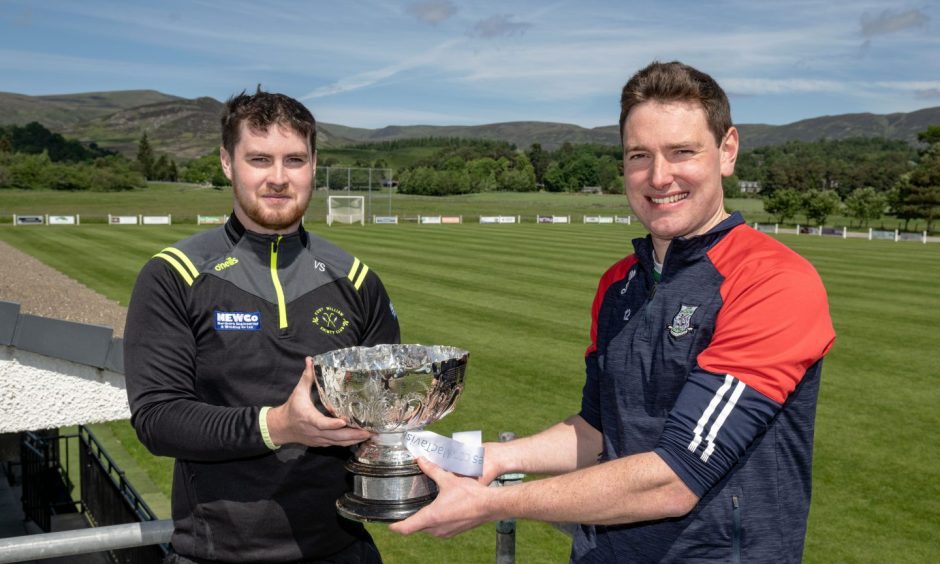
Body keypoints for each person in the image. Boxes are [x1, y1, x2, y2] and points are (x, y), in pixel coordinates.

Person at [390, 61, 836, 563]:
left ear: (727, 150)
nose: (659, 176)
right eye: (639, 155)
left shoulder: (772, 281)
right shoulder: (620, 283)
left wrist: (493, 503)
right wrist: (494, 458)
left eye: (682, 152)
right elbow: (600, 430)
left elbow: (674, 480)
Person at [124, 88, 400, 563]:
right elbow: (158, 419)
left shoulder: (356, 281)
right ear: (228, 163)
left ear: (314, 165)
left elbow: (387, 412)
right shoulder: (174, 275)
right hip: (216, 554)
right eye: (259, 159)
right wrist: (279, 426)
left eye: (294, 159)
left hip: (342, 548)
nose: (278, 178)